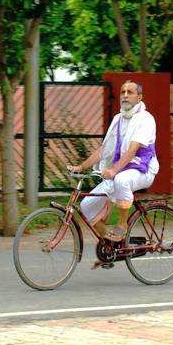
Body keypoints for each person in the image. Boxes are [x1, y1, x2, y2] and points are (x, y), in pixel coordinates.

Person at [69, 79, 159, 244]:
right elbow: (104, 150)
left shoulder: (145, 119)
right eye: (122, 92)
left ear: (139, 97)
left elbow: (132, 149)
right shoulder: (118, 119)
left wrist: (112, 171)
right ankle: (110, 244)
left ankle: (122, 224)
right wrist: (81, 166)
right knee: (87, 205)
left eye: (130, 92)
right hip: (120, 169)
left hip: (143, 169)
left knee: (121, 180)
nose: (125, 96)